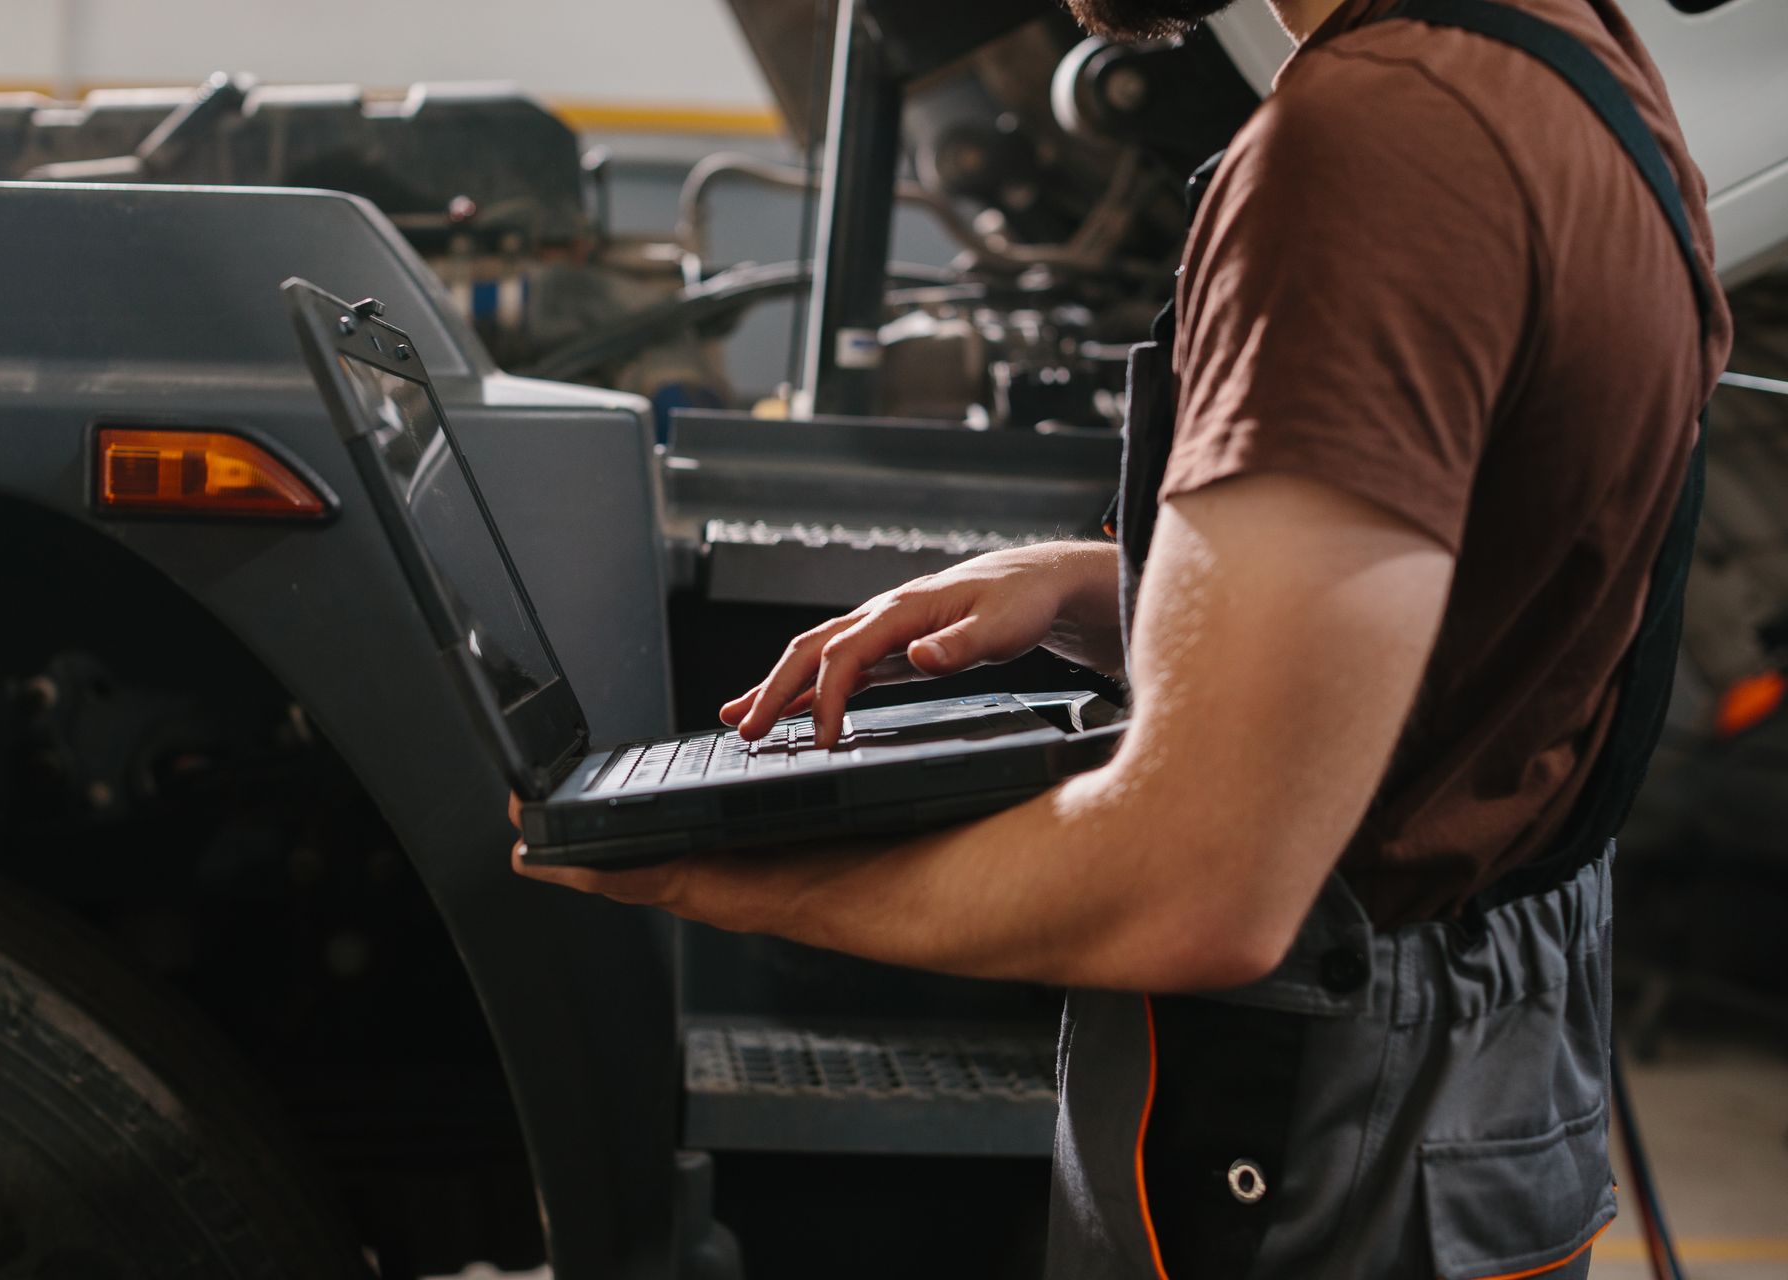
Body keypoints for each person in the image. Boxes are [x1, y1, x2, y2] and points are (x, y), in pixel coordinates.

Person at [514, 0, 1733, 1272]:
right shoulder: (1575, 74)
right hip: (1465, 1079)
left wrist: (735, 883)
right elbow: (1492, 610)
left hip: (1320, 1125)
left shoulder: (1377, 140)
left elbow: (1197, 883)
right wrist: (1112, 583)